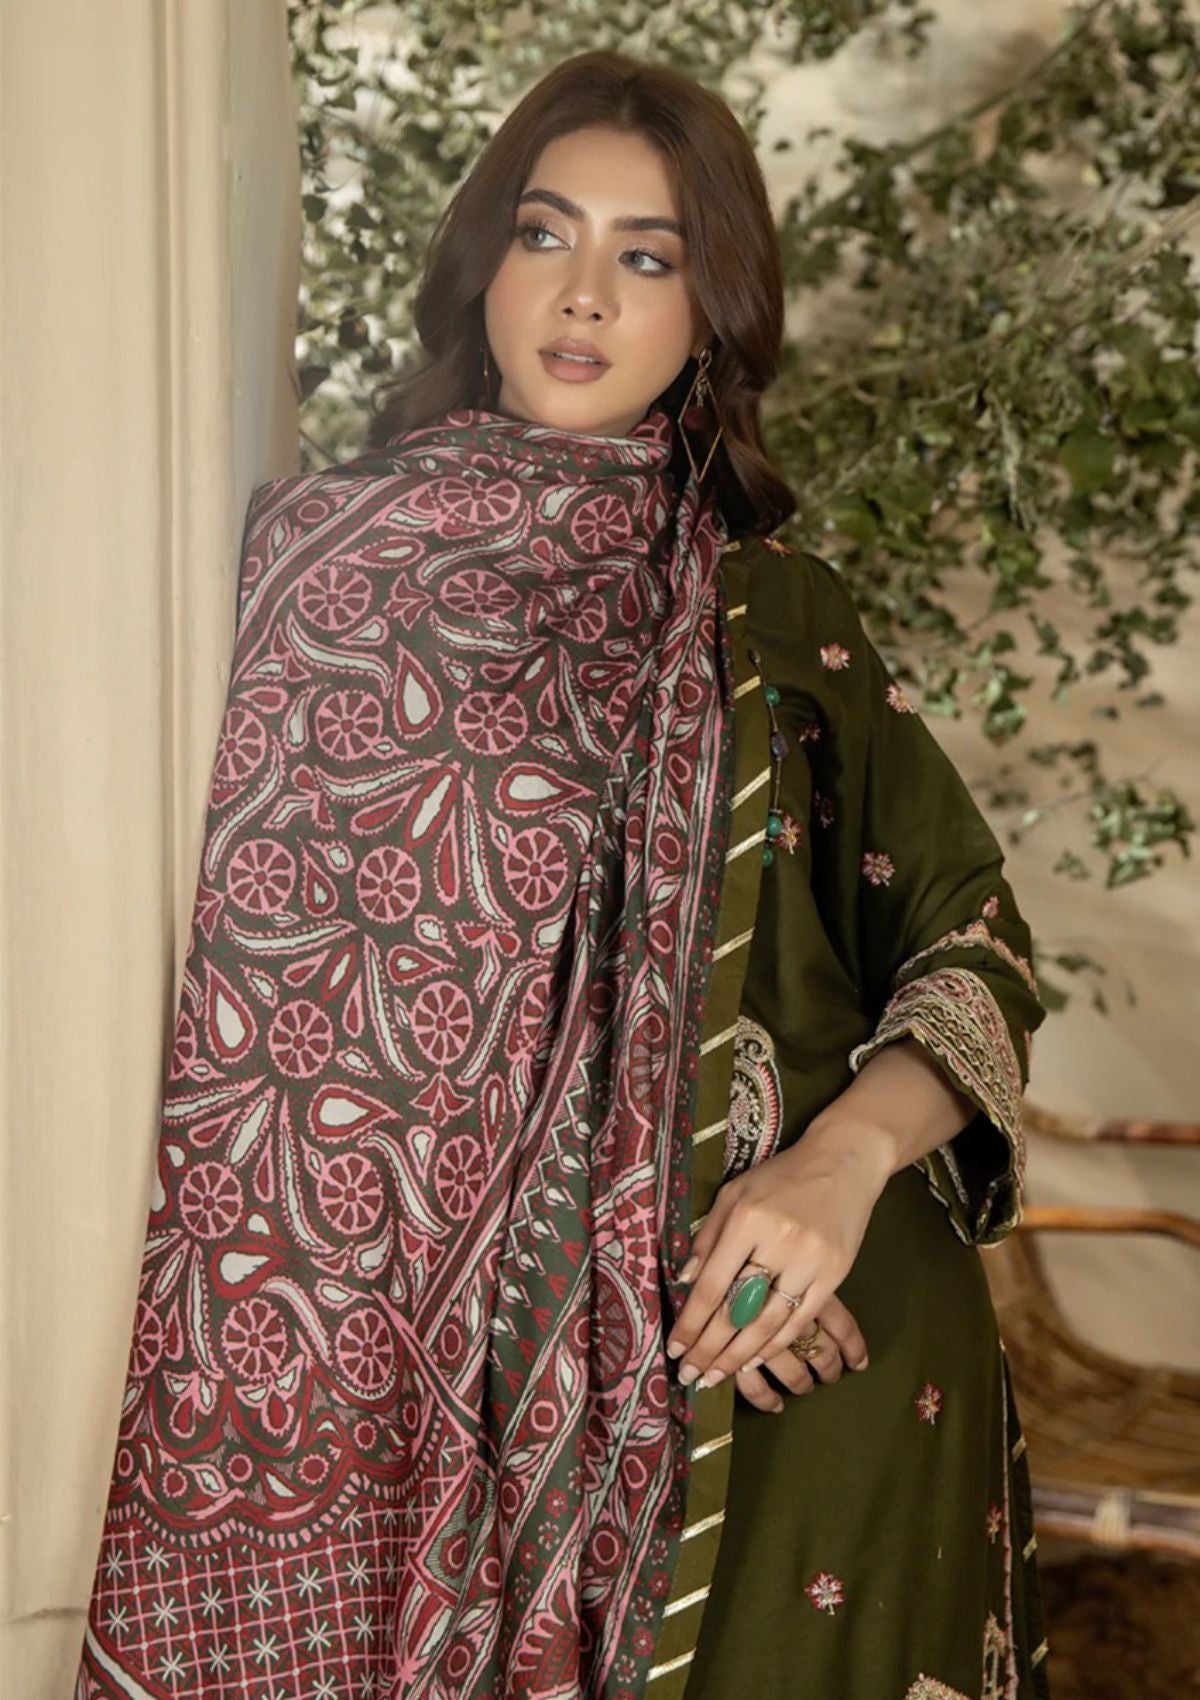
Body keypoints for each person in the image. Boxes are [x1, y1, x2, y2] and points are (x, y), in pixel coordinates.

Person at [75, 47, 1050, 1700]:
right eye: (547, 234)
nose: (584, 294)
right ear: (486, 265)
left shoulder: (770, 614)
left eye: (648, 257)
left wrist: (829, 1175)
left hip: (768, 1371)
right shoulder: (305, 566)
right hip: (336, 1385)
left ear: (711, 316)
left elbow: (975, 943)